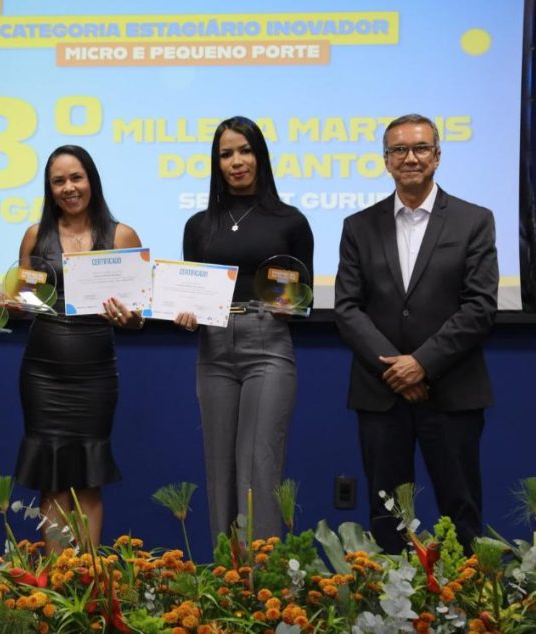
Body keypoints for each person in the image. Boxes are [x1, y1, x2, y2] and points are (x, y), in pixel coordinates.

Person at [334, 113, 498, 554]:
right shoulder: (358, 226)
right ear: (385, 161)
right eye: (399, 150)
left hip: (452, 391)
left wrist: (421, 364)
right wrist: (396, 368)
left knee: (461, 512)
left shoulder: (474, 220)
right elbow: (347, 308)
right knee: (387, 515)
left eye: (420, 148)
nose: (410, 158)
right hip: (381, 392)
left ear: (437, 156)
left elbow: (480, 307)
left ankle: (468, 614)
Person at [175, 116, 314, 542]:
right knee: (219, 471)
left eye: (245, 151)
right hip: (213, 345)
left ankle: (263, 587)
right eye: (226, 154)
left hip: (268, 343)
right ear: (216, 163)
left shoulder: (290, 221)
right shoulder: (199, 225)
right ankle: (227, 582)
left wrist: (294, 305)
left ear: (260, 155)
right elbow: (190, 289)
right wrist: (185, 311)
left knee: (258, 467)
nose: (237, 161)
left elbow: (304, 293)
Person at [13, 145, 143, 551]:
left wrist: (130, 317)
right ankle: (54, 586)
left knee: (87, 477)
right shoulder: (36, 235)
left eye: (76, 178)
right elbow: (26, 302)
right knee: (51, 480)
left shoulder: (121, 235)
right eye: (59, 181)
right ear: (49, 189)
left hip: (95, 373)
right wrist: (12, 303)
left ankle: (84, 582)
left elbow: (138, 313)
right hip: (42, 372)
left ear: (91, 181)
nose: (69, 188)